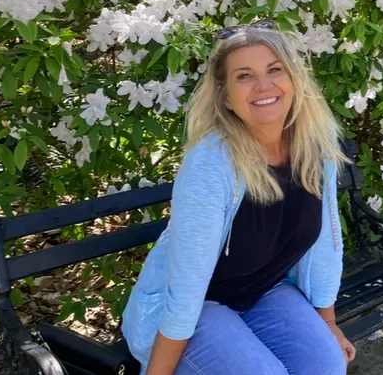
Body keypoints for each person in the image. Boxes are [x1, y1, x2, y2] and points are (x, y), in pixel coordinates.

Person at [121, 20, 356, 375]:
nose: (263, 85)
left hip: (264, 291)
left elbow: (324, 246)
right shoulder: (211, 163)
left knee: (327, 365)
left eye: (274, 70)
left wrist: (328, 324)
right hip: (198, 309)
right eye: (244, 76)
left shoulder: (315, 150)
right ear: (226, 97)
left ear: (295, 80)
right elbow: (185, 290)